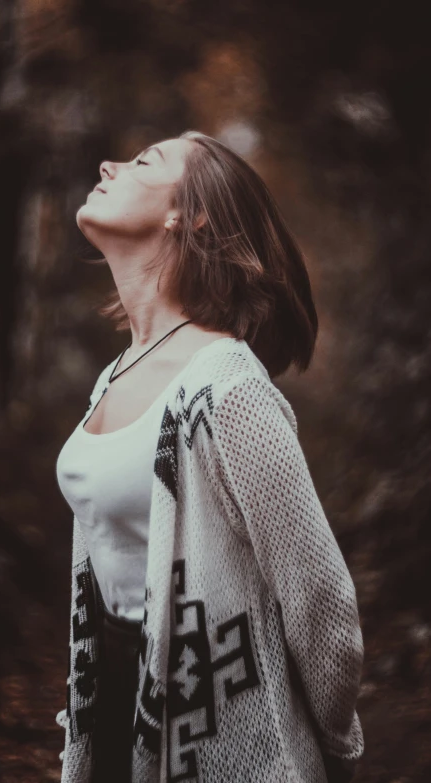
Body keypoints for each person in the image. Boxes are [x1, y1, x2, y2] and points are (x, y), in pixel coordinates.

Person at [55, 131, 365, 783]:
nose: (109, 164)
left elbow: (320, 599)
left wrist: (336, 750)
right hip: (114, 717)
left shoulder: (228, 384)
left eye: (144, 163)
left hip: (226, 739)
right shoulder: (113, 374)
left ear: (188, 214)